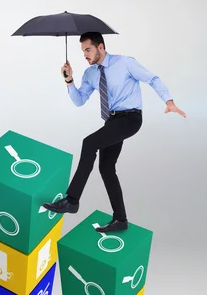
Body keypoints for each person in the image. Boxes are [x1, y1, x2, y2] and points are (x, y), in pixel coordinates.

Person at [41, 31, 186, 232]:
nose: (85, 55)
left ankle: (72, 200)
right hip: (112, 122)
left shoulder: (125, 63)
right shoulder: (90, 73)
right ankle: (120, 220)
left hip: (130, 118)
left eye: (88, 49)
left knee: (89, 143)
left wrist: (169, 101)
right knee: (106, 168)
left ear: (100, 47)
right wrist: (69, 81)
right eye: (83, 51)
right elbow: (79, 101)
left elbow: (152, 79)